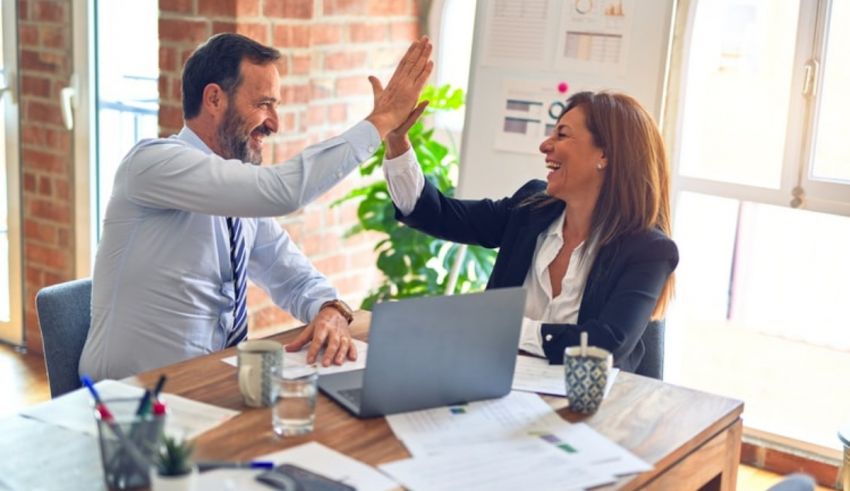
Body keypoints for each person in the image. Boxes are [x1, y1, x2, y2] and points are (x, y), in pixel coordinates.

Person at [79, 33, 433, 380]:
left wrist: (330, 309)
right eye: (264, 104)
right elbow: (283, 191)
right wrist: (382, 120)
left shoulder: (237, 197)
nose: (274, 124)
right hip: (129, 402)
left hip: (208, 387)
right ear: (215, 99)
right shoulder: (153, 164)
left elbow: (292, 275)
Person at [382, 91, 678, 372]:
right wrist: (397, 142)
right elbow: (437, 214)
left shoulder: (648, 251)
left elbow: (605, 345)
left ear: (605, 155)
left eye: (562, 134)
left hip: (589, 409)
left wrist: (505, 327)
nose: (545, 145)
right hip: (497, 387)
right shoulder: (530, 209)